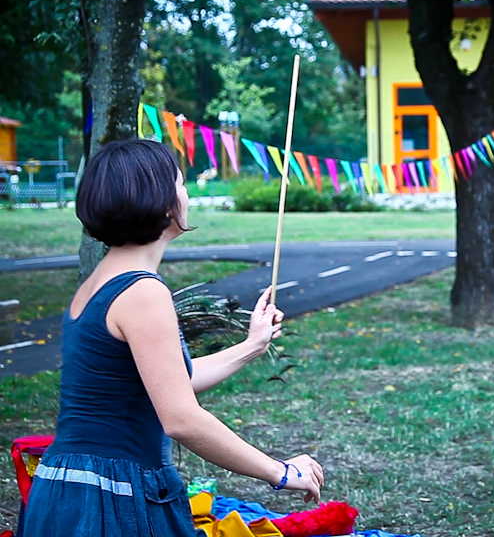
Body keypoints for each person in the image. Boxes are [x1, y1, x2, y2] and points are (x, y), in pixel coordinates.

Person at [22, 139, 324, 537]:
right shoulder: (142, 291)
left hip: (69, 489)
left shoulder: (100, 283)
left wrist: (251, 346)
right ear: (162, 202)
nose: (186, 194)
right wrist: (280, 472)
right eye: (181, 183)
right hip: (112, 498)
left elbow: (164, 384)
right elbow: (181, 418)